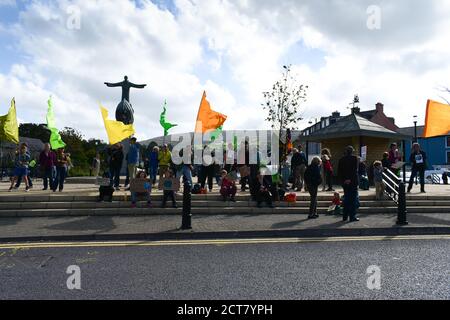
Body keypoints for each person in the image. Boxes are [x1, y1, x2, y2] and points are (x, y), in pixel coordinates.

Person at [338, 146, 360, 222]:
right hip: (353, 181)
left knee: (346, 199)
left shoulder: (341, 159)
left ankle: (345, 217)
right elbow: (354, 170)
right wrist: (350, 179)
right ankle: (352, 216)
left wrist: (344, 180)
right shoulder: (354, 158)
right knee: (353, 200)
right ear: (352, 151)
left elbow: (339, 172)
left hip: (345, 182)